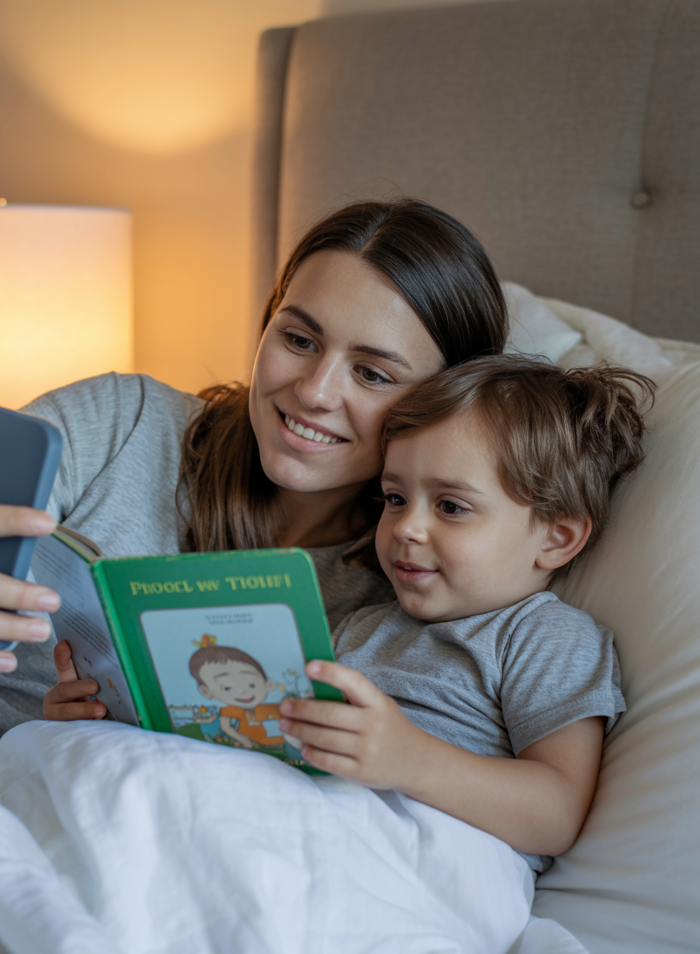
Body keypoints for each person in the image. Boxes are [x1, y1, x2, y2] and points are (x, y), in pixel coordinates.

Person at [0, 200, 507, 734]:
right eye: (297, 339)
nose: (313, 391)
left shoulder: (428, 574)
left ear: (446, 400)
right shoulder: (126, 421)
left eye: (371, 372)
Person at [275, 356, 654, 870]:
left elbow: (557, 812)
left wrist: (410, 760)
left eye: (451, 506)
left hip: (435, 857)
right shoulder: (364, 623)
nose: (406, 528)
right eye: (395, 497)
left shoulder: (544, 635)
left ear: (555, 538)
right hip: (316, 823)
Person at [188, 644, 284, 751]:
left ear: (269, 684)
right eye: (227, 688)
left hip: (281, 742)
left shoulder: (277, 706)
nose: (242, 691)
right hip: (255, 745)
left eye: (251, 684)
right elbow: (226, 728)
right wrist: (246, 742)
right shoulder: (230, 710)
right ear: (206, 692)